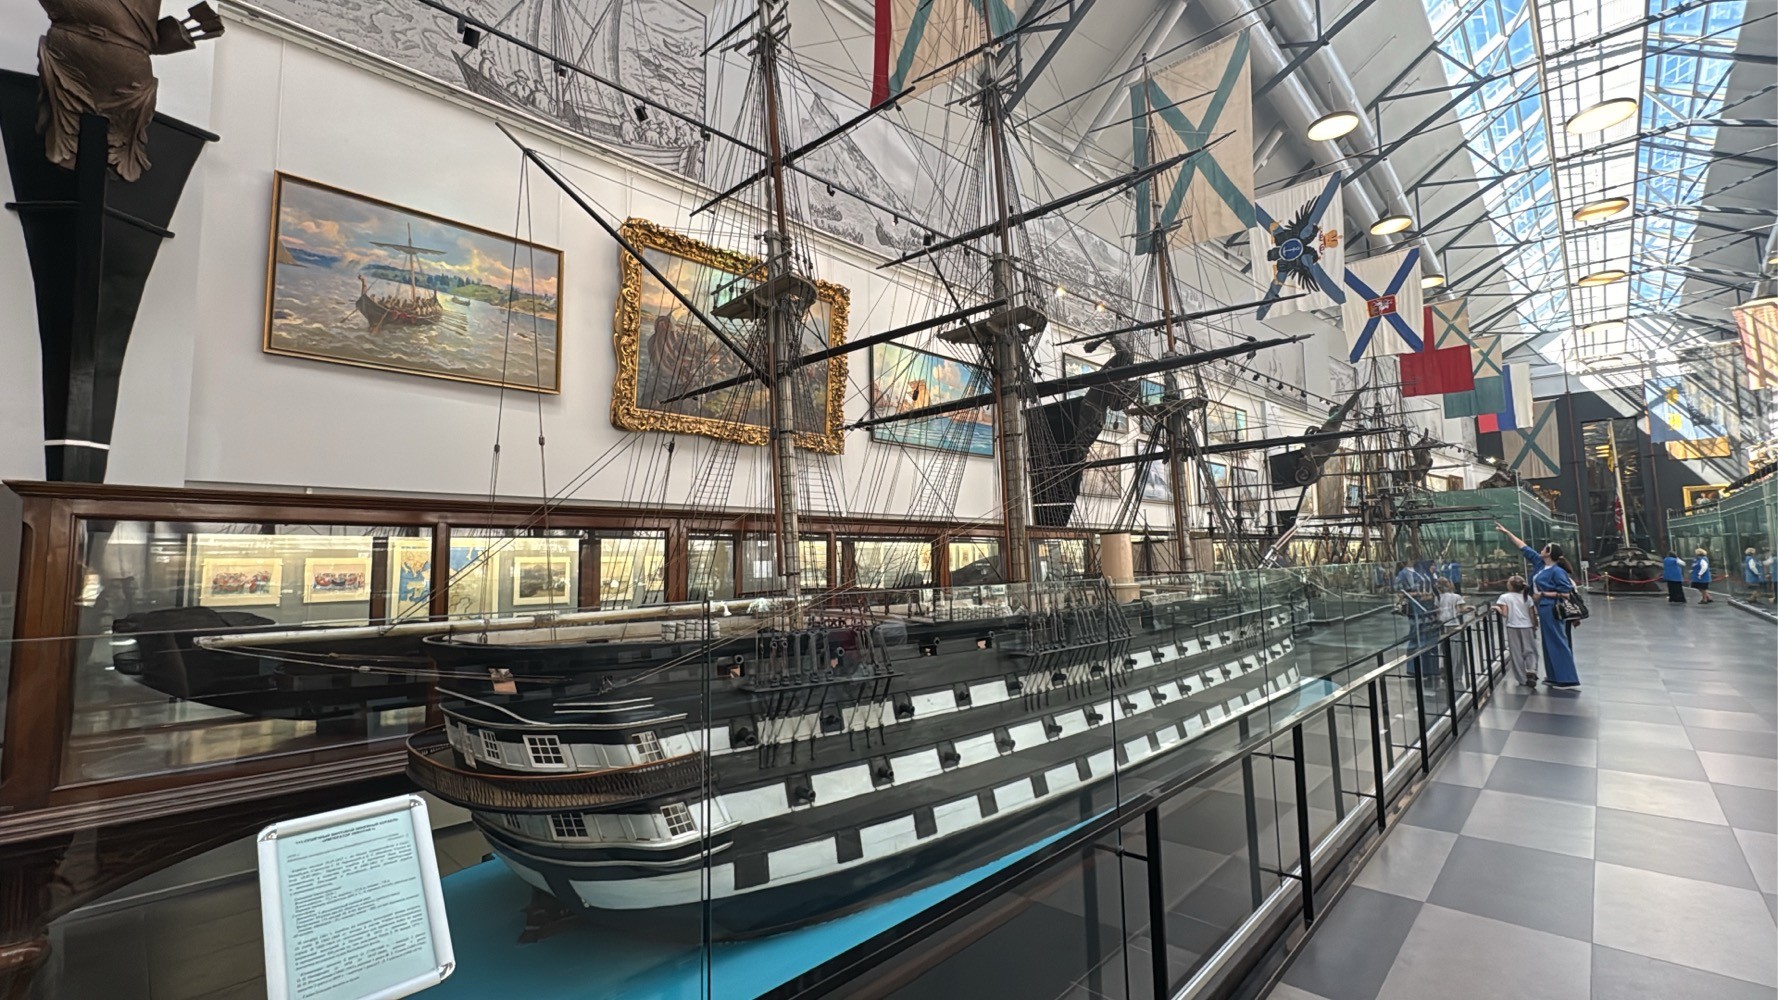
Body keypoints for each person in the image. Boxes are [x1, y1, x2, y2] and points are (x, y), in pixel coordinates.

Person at [1495, 523, 1580, 689]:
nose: (1541, 549)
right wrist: (1507, 532)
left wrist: (1543, 594)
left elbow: (1566, 593)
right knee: (1548, 643)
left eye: (1544, 548)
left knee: (1557, 641)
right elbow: (1524, 547)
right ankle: (1554, 675)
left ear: (1549, 553)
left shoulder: (1557, 571)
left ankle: (1566, 677)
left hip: (1552, 608)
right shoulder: (1541, 565)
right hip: (1544, 608)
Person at [1494, 574, 1538, 687]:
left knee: (1516, 653)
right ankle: (1531, 670)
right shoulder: (1527, 597)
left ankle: (1522, 679)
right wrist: (1534, 626)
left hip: (1512, 627)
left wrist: (1497, 608)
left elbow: (1505, 614)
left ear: (1510, 585)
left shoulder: (1504, 597)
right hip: (1527, 626)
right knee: (1530, 650)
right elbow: (1532, 614)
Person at [1394, 560, 1436, 677]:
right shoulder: (1403, 574)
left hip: (1428, 607)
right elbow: (1400, 592)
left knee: (1427, 635)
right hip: (1416, 609)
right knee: (1416, 635)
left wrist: (1430, 595)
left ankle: (1429, 667)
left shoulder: (1420, 570)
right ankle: (1414, 668)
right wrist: (1418, 594)